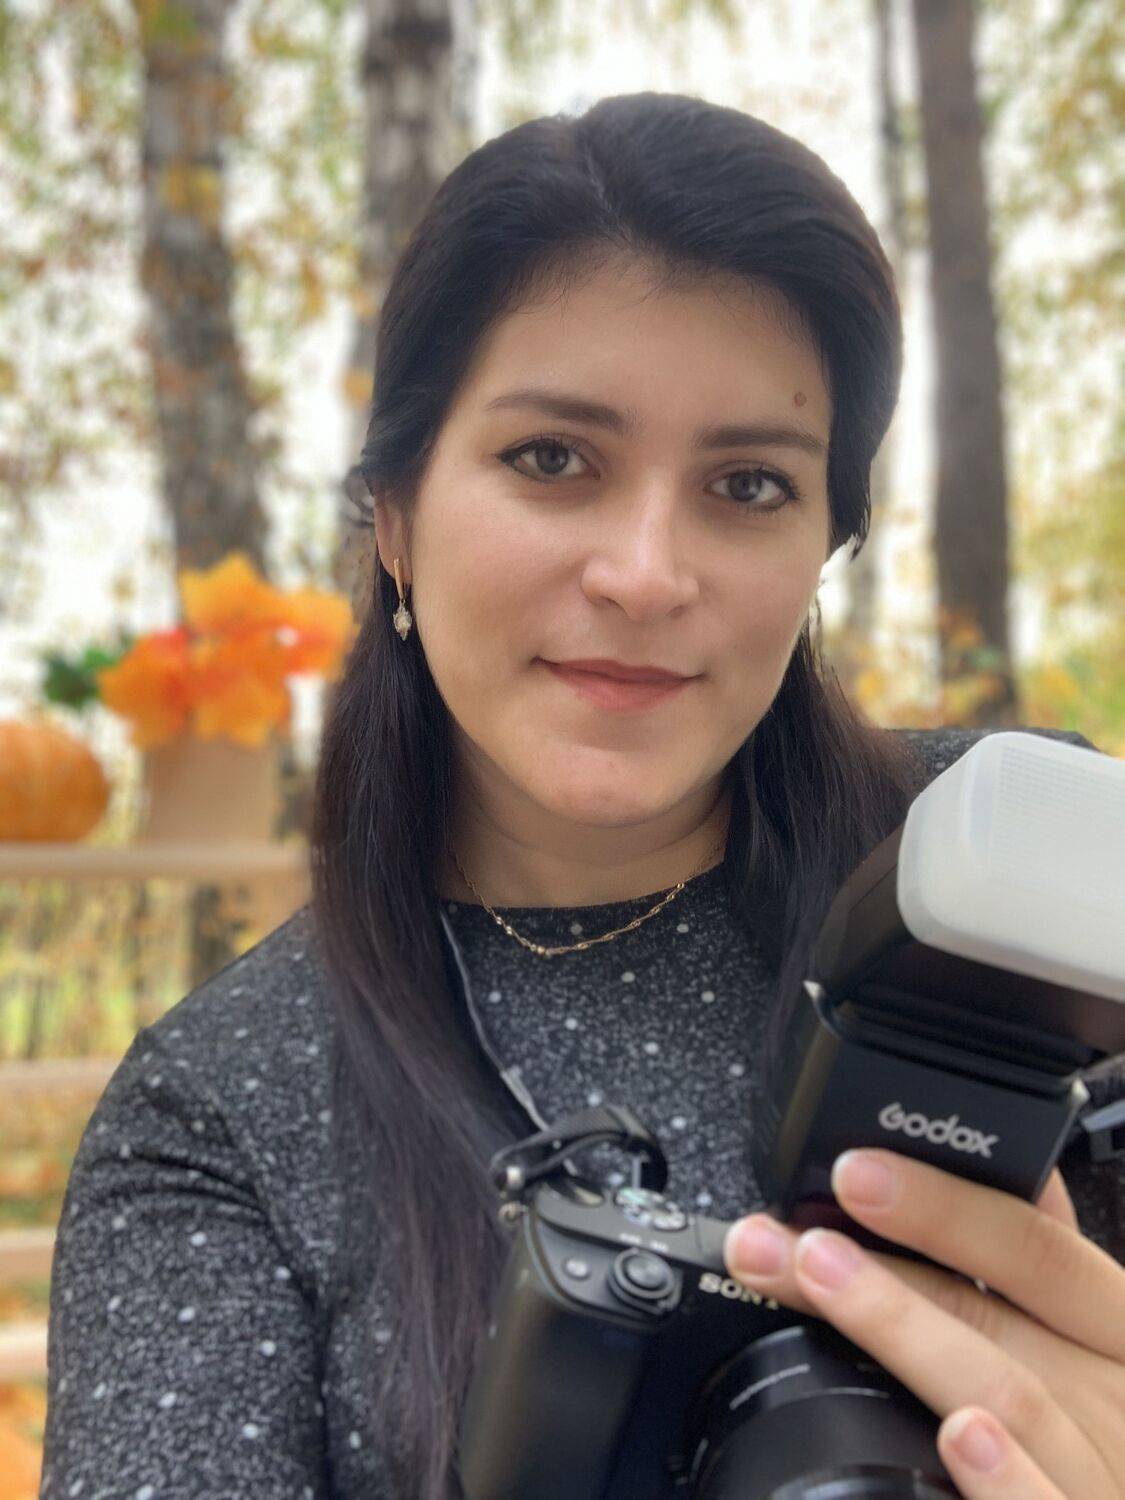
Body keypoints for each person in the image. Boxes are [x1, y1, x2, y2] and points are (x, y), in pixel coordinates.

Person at [40, 92, 1123, 1500]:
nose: (646, 574)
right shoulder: (224, 1115)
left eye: (749, 484)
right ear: (393, 515)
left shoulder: (1022, 879)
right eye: (552, 459)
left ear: (822, 545)